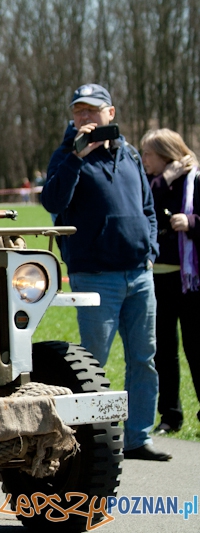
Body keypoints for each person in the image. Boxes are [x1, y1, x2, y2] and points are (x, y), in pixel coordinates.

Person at [41, 83, 169, 461]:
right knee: (92, 363)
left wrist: (150, 249)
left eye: (92, 111)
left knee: (144, 358)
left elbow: (147, 206)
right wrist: (77, 158)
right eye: (78, 111)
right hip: (96, 277)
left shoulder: (129, 154)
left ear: (110, 114)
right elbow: (52, 202)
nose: (85, 117)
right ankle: (87, 444)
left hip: (138, 273)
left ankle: (138, 437)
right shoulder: (66, 155)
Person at [141, 128, 200, 434]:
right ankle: (170, 416)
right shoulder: (154, 183)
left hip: (190, 283)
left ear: (165, 154)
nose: (144, 159)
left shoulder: (196, 181)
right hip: (158, 279)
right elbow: (144, 204)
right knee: (164, 352)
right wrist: (164, 180)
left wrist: (190, 222)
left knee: (196, 349)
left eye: (148, 153)